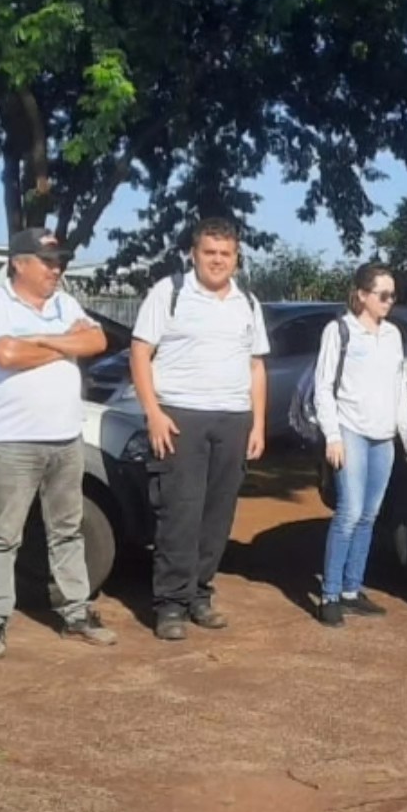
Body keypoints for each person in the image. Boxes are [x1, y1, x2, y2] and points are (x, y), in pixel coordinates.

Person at [0, 227, 116, 659]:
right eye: (47, 261)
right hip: (14, 441)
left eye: (59, 262)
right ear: (19, 262)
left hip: (67, 436)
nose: (57, 269)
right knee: (4, 534)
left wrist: (41, 340)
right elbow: (6, 356)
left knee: (68, 531)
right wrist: (66, 347)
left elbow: (98, 340)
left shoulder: (64, 302)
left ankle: (77, 612)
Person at [131, 217, 269, 641]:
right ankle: (170, 604)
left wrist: (258, 423)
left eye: (226, 254)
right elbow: (139, 353)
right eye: (210, 252)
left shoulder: (247, 300)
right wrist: (153, 412)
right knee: (180, 513)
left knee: (217, 515)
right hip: (180, 419)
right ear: (194, 254)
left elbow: (256, 366)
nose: (217, 261)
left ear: (237, 257)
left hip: (232, 419)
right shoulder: (169, 293)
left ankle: (200, 595)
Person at [313, 263, 407, 628]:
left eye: (392, 295)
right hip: (351, 432)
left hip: (383, 437)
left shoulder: (392, 335)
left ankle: (352, 590)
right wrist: (334, 436)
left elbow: (398, 385)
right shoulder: (339, 331)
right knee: (349, 512)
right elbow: (323, 387)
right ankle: (330, 593)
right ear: (362, 295)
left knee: (370, 515)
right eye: (382, 294)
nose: (389, 301)